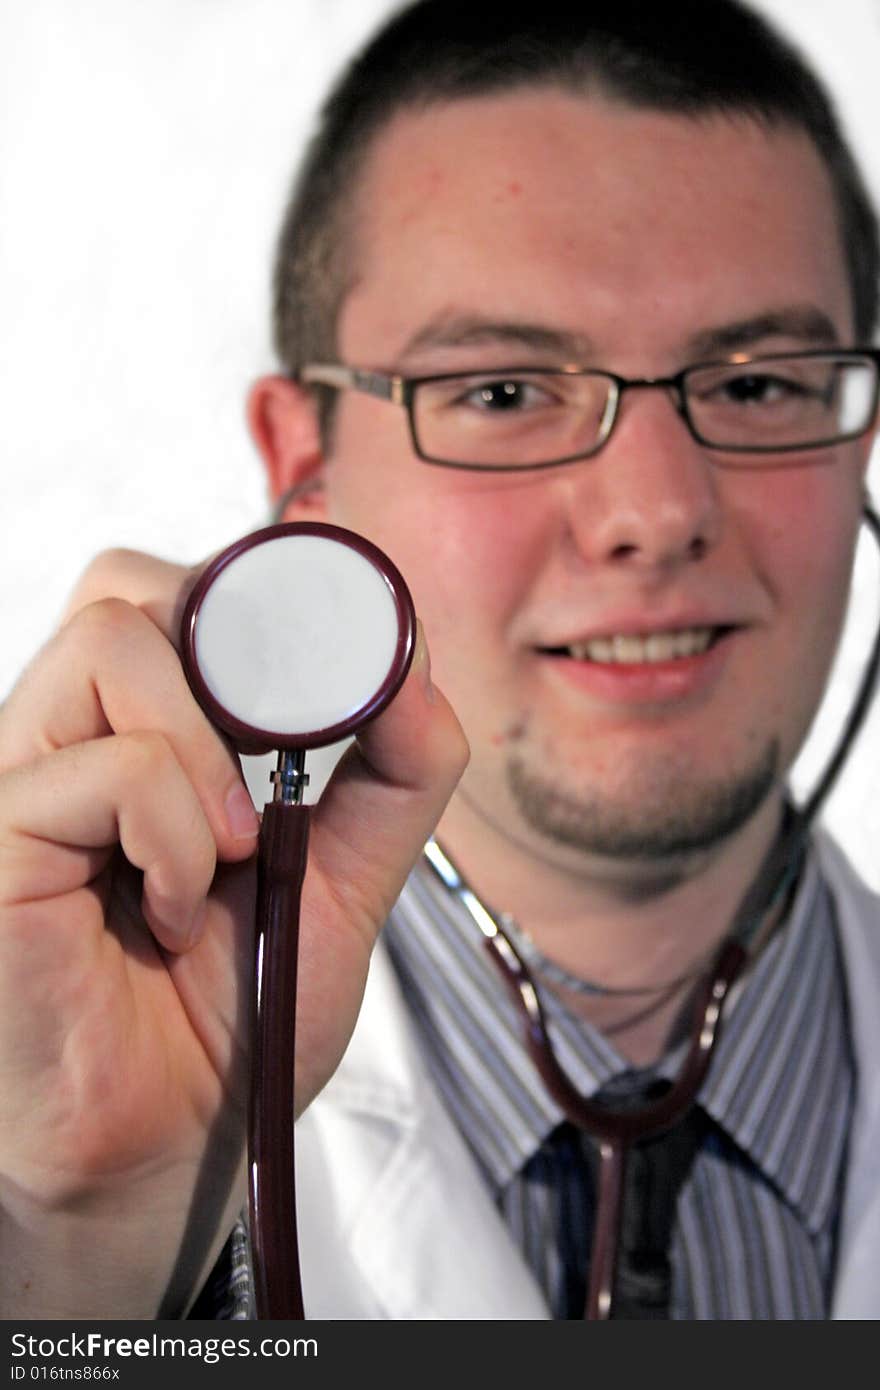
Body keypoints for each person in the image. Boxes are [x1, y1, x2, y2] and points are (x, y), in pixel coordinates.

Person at [1, 0, 878, 1321]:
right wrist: (76, 1257)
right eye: (505, 390)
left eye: (760, 382)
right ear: (305, 467)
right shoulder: (48, 1138)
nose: (652, 508)